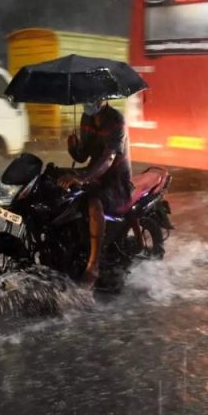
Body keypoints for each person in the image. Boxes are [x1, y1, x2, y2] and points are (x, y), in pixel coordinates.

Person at [56, 98, 134, 288]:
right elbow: (83, 155)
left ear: (105, 98)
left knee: (93, 202)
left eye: (94, 97)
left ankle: (93, 266)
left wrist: (83, 179)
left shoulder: (116, 120)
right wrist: (73, 148)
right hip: (93, 174)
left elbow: (108, 158)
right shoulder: (86, 119)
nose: (89, 102)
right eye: (87, 98)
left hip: (116, 180)